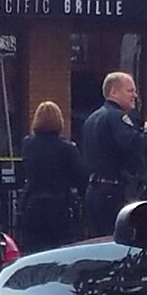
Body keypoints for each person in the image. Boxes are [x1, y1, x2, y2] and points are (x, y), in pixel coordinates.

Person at [82, 72, 147, 237]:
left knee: (97, 239)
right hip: (113, 192)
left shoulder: (91, 118)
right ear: (114, 92)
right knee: (116, 240)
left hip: (94, 189)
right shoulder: (117, 116)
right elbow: (135, 144)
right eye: (130, 91)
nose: (135, 96)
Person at [19, 101, 87, 253]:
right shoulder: (67, 148)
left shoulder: (27, 144)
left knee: (34, 252)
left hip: (33, 205)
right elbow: (80, 178)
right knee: (59, 252)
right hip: (59, 207)